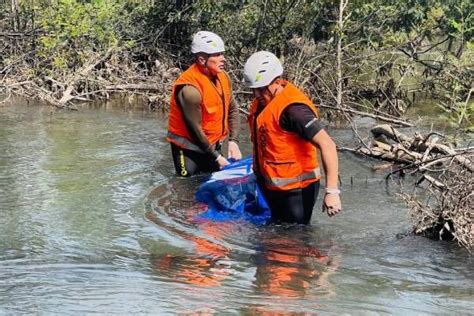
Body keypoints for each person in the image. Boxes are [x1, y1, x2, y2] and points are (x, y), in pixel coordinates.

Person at [243, 51, 342, 224]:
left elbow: (328, 145)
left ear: (277, 81)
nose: (256, 95)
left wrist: (332, 192)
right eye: (253, 90)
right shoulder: (262, 102)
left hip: (296, 191)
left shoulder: (294, 110)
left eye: (261, 89)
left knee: (294, 241)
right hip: (273, 187)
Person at [167, 31, 242, 177]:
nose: (223, 59)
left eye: (222, 54)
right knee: (187, 186)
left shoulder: (224, 77)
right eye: (217, 55)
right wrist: (217, 157)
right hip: (189, 149)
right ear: (202, 60)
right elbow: (195, 130)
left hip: (212, 145)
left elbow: (232, 109)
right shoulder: (189, 90)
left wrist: (234, 141)